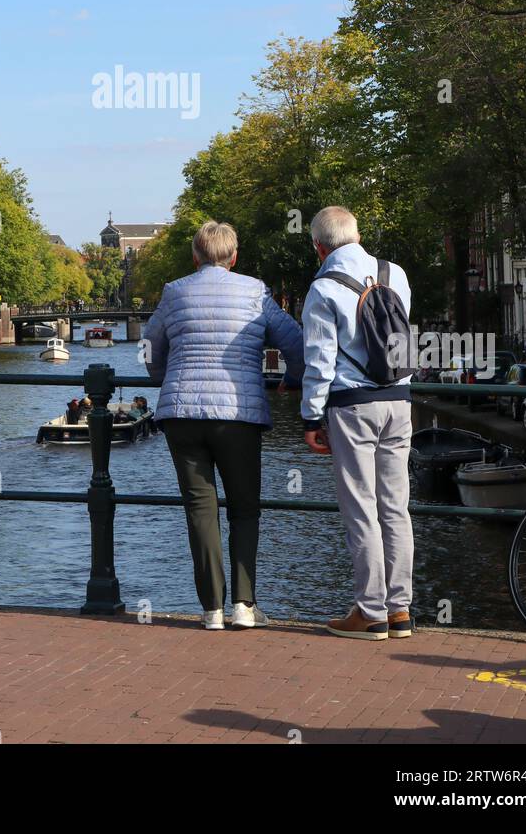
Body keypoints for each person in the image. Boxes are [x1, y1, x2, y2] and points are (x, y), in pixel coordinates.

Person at [144, 220, 304, 631]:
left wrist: (164, 376)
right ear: (234, 258)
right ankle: (244, 606)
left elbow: (150, 345)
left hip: (182, 414)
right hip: (238, 416)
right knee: (245, 508)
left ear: (195, 257)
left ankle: (211, 609)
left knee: (200, 509)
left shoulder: (174, 291)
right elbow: (295, 342)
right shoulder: (255, 292)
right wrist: (294, 377)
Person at [298, 206, 413, 642]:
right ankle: (400, 609)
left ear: (319, 247)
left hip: (353, 406)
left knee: (361, 508)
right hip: (399, 401)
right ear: (358, 234)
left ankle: (370, 611)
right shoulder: (394, 273)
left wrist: (311, 417)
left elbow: (319, 361)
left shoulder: (323, 288)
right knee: (396, 506)